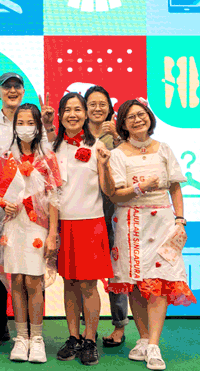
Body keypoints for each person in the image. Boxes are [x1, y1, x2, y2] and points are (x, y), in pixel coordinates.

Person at [107, 99, 196, 371]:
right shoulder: (117, 154)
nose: (137, 120)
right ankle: (143, 338)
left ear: (149, 117)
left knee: (159, 281)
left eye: (141, 114)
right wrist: (141, 187)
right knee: (134, 282)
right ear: (123, 124)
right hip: (130, 222)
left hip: (162, 223)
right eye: (130, 117)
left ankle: (154, 345)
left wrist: (180, 219)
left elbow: (175, 187)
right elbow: (116, 194)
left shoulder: (164, 149)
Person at [0, 104, 62, 363]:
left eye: (30, 122)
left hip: (38, 226)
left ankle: (37, 338)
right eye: (20, 122)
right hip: (12, 225)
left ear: (38, 126)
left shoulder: (48, 158)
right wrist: (3, 204)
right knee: (17, 281)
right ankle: (21, 338)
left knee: (34, 281)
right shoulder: (7, 157)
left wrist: (52, 233)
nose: (25, 127)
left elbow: (54, 198)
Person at [52, 93, 116, 366]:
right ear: (60, 115)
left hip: (91, 223)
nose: (73, 114)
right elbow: (51, 192)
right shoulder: (53, 149)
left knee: (89, 285)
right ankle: (73, 337)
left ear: (85, 114)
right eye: (67, 110)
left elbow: (108, 190)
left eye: (77, 109)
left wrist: (105, 164)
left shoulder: (98, 146)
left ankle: (90, 339)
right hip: (63, 224)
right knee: (69, 283)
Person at [84, 86, 128, 348]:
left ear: (110, 108)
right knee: (82, 275)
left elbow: (130, 165)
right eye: (92, 104)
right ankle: (84, 327)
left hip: (112, 213)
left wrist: (119, 139)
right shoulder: (77, 135)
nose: (97, 108)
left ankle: (119, 325)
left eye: (102, 104)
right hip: (83, 212)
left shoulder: (119, 135)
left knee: (115, 271)